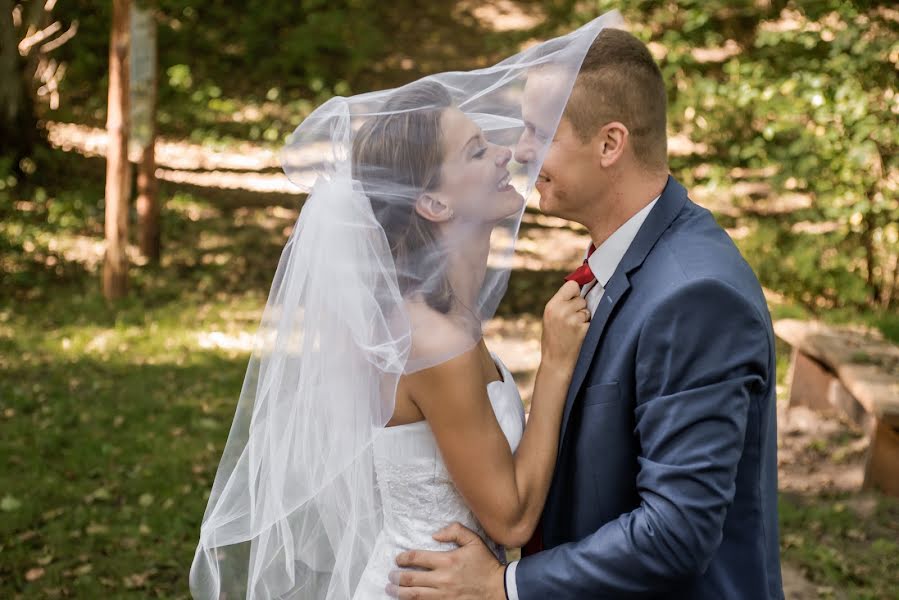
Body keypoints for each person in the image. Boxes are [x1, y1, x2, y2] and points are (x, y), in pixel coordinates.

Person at [189, 14, 619, 600]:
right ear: (434, 202)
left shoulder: (435, 318)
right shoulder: (434, 340)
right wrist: (555, 366)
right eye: (475, 152)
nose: (503, 155)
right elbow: (512, 519)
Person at [390, 26, 785, 600]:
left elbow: (677, 531)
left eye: (539, 132)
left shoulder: (695, 296)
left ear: (609, 144)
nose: (521, 152)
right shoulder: (629, 255)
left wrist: (509, 586)